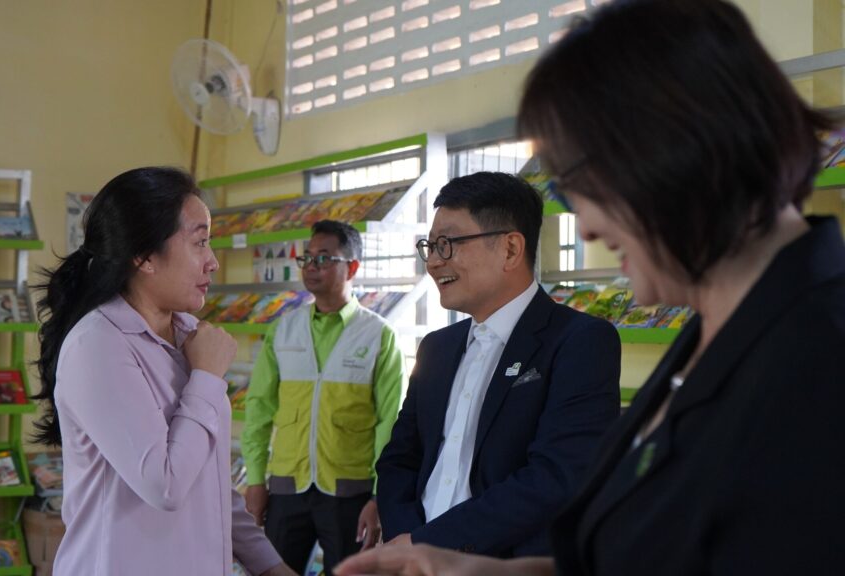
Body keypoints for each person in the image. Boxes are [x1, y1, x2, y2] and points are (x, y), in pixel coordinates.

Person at [336, 1, 845, 575]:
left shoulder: (819, 349)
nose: (592, 226)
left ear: (675, 145)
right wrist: (481, 570)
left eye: (583, 185)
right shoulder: (729, 323)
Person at [31, 167, 293, 575]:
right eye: (200, 242)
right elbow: (164, 484)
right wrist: (206, 378)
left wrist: (271, 566)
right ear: (145, 256)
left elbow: (212, 485)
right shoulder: (98, 344)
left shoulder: (189, 337)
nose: (213, 263)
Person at [375, 172, 621, 557]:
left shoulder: (580, 342)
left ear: (510, 249)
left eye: (448, 244)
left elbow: (557, 477)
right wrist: (405, 540)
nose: (435, 262)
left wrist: (429, 544)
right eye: (430, 246)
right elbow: (398, 460)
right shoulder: (436, 348)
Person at [241, 220, 406, 576]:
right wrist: (256, 479)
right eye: (308, 258)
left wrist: (379, 497)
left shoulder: (378, 335)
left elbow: (389, 423)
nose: (312, 266)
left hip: (351, 494)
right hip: (286, 488)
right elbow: (259, 409)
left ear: (353, 267)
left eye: (324, 258)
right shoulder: (283, 329)